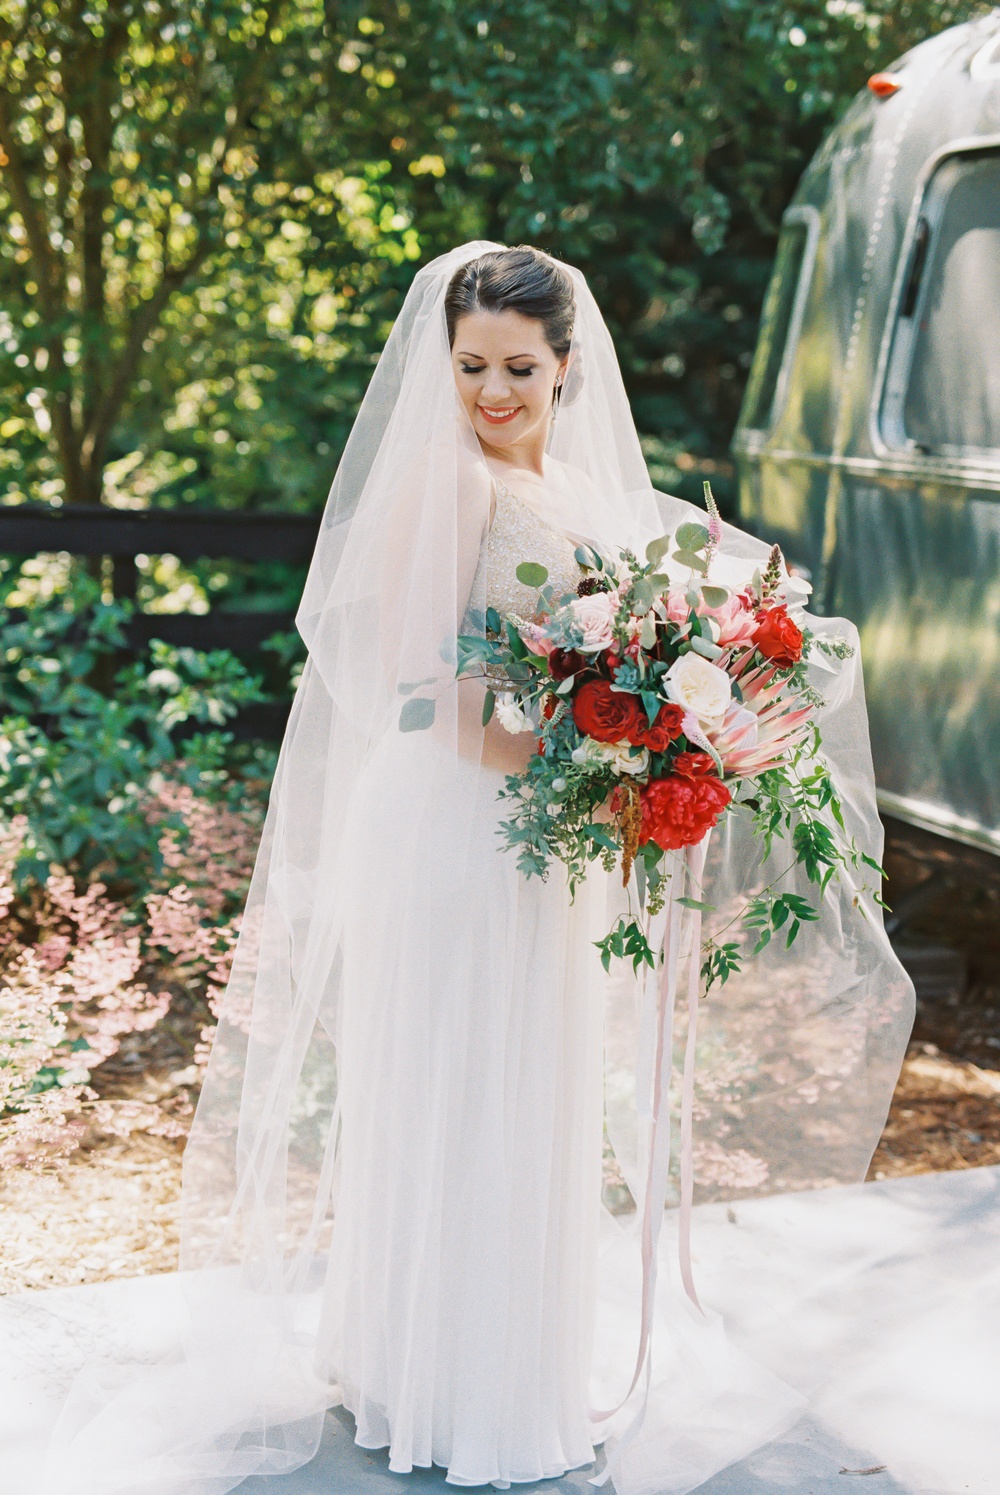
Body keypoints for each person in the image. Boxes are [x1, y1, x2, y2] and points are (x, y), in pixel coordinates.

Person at [42, 243, 913, 1495]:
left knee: (525, 1079)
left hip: (541, 826)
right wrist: (580, 763)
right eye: (469, 367)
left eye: (517, 366)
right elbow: (415, 690)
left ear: (565, 365)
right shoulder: (444, 485)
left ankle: (480, 1362)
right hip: (460, 820)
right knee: (462, 1075)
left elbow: (652, 633)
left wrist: (664, 731)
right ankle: (451, 1388)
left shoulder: (568, 484)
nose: (491, 392)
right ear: (441, 365)